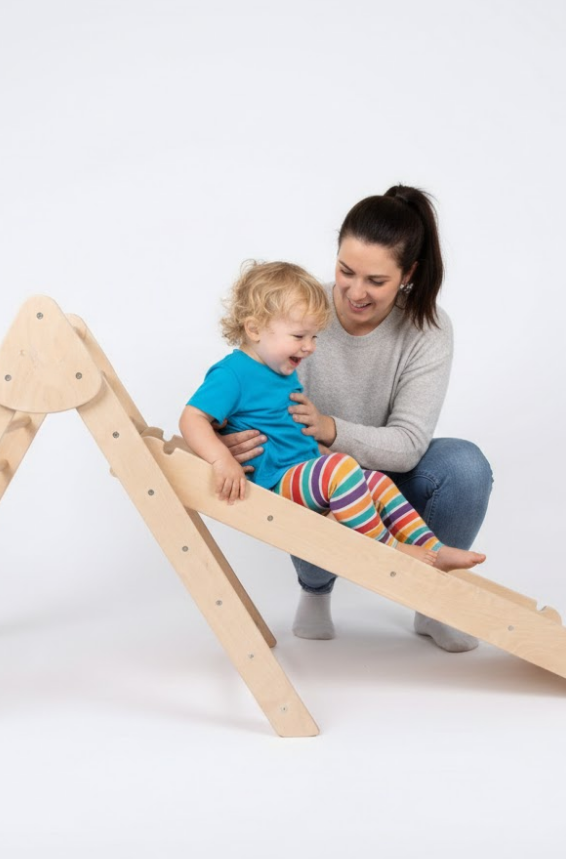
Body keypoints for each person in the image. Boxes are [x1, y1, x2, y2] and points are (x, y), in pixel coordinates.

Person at [218, 186, 493, 652]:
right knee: (325, 474)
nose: (355, 292)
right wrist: (228, 439)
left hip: (380, 471)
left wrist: (330, 428)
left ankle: (431, 600)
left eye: (376, 281)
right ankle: (316, 589)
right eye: (345, 271)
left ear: (408, 275)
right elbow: (242, 387)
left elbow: (408, 445)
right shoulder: (300, 311)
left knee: (464, 464)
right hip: (312, 476)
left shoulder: (428, 329)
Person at [180, 260, 485, 574]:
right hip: (274, 482)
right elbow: (192, 418)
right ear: (254, 328)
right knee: (342, 467)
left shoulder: (279, 370)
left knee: (375, 481)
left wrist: (316, 453)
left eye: (314, 337)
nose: (310, 347)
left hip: (299, 473)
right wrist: (221, 459)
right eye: (300, 336)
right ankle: (388, 550)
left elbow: (285, 430)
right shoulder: (233, 374)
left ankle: (432, 548)